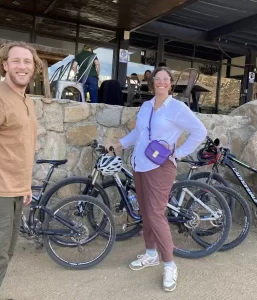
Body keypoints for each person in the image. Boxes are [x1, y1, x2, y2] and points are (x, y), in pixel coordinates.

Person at [107, 67, 207, 292]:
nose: (161, 82)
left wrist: (178, 153)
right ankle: (151, 254)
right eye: (157, 79)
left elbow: (199, 132)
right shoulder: (146, 106)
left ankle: (169, 264)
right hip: (140, 166)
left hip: (161, 167)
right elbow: (139, 134)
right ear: (153, 83)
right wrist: (119, 144)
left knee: (155, 214)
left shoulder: (177, 108)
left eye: (165, 79)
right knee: (145, 212)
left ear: (171, 84)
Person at [0, 41, 42, 300]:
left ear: (34, 67)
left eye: (27, 61)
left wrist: (24, 187)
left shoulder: (24, 100)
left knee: (1, 257)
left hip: (12, 194)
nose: (22, 66)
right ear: (4, 64)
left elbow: (17, 149)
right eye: (16, 60)